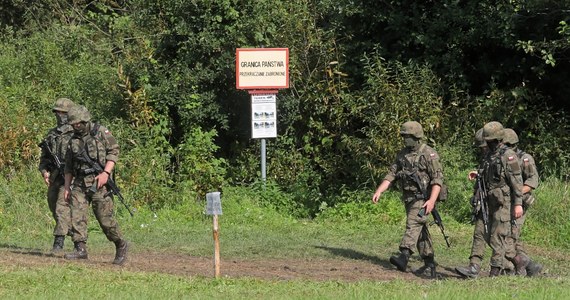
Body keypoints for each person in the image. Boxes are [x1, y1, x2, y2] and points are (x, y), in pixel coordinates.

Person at [372, 121, 444, 278]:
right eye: (404, 136)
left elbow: (437, 180)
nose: (405, 139)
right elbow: (392, 174)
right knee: (420, 231)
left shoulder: (429, 154)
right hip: (409, 198)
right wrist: (379, 191)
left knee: (414, 223)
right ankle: (429, 261)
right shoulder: (402, 154)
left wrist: (431, 201)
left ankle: (404, 256)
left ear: (417, 136)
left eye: (408, 136)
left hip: (423, 198)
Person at [63, 105, 129, 265]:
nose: (75, 126)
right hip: (80, 183)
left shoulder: (101, 133)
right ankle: (80, 249)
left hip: (100, 182)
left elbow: (114, 152)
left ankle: (120, 244)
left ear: (85, 120)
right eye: (73, 124)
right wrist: (67, 187)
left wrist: (106, 173)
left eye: (78, 123)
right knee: (76, 216)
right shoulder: (73, 140)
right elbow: (68, 166)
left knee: (105, 220)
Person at [478, 121, 528, 277]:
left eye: (491, 140)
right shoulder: (489, 155)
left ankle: (494, 271)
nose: (489, 143)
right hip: (489, 201)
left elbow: (517, 182)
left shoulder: (509, 156)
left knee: (497, 236)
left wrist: (518, 204)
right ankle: (519, 261)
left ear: (498, 139)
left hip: (504, 202)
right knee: (491, 237)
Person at [503, 128, 543, 276]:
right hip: (506, 201)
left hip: (520, 202)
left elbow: (533, 181)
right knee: (511, 236)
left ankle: (512, 267)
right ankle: (530, 266)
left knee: (512, 235)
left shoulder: (525, 158)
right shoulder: (504, 157)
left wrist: (517, 192)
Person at [38, 98, 76, 252]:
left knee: (62, 207)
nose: (60, 115)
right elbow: (45, 157)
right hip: (55, 176)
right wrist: (44, 171)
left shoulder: (76, 133)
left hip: (71, 176)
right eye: (58, 112)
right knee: (53, 205)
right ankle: (74, 232)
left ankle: (58, 243)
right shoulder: (52, 134)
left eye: (63, 113)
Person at [455, 128, 489, 278]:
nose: (483, 149)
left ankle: (520, 262)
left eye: (484, 146)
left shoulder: (505, 157)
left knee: (501, 237)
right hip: (487, 201)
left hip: (501, 204)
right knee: (479, 233)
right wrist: (478, 173)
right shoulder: (487, 158)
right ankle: (474, 267)